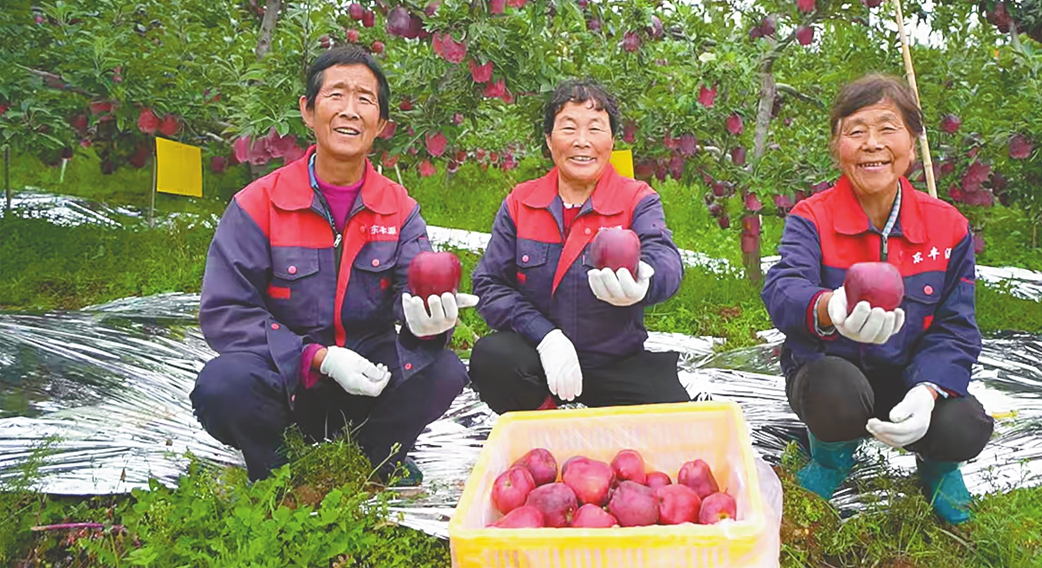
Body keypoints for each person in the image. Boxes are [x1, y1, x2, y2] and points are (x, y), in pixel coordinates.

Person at [191, 45, 475, 484]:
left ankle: (376, 455)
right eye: (336, 95)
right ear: (307, 111)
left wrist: (428, 321)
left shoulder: (399, 209)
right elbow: (227, 312)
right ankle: (276, 464)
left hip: (369, 381)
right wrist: (317, 358)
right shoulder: (258, 204)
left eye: (365, 99)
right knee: (222, 384)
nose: (350, 110)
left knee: (445, 370)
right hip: (288, 383)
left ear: (381, 125)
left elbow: (412, 291)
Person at [762, 74, 994, 524]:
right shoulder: (812, 218)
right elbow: (783, 289)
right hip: (837, 376)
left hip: (909, 375)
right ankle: (831, 457)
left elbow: (957, 326)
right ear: (837, 145)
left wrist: (928, 390)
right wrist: (830, 308)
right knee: (833, 389)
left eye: (888, 128)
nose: (872, 144)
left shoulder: (948, 227)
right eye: (856, 131)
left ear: (912, 142)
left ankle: (939, 468)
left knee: (964, 424)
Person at [468, 79, 690, 413]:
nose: (582, 142)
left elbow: (665, 258)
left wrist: (646, 280)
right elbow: (489, 284)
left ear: (612, 141)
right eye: (568, 128)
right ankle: (547, 422)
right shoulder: (521, 202)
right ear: (549, 139)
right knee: (492, 359)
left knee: (675, 421)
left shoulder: (636, 199)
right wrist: (545, 337)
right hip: (539, 361)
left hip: (616, 363)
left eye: (595, 129)